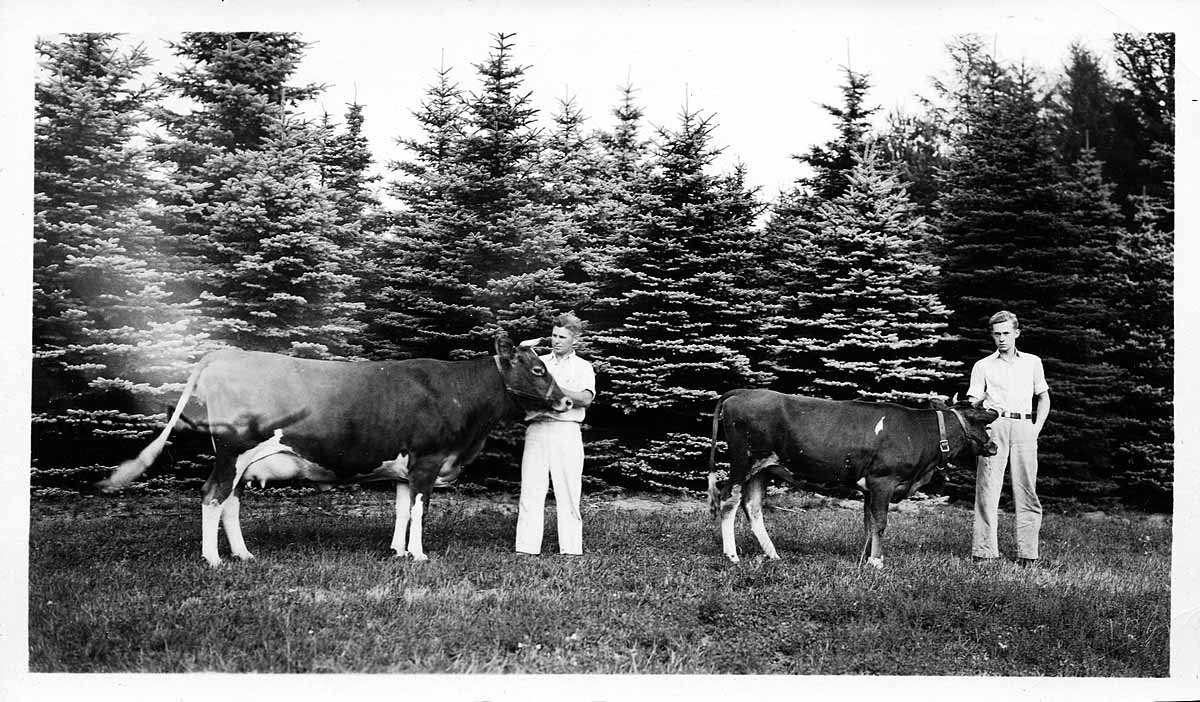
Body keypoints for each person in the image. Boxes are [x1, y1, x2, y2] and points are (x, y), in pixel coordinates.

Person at [968, 310, 1051, 567]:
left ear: (1016, 333)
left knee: (1027, 490)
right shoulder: (983, 366)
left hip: (1025, 426)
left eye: (1006, 333)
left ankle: (1028, 554)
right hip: (994, 427)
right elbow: (973, 402)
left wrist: (1036, 427)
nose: (1002, 339)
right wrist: (976, 406)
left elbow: (1043, 397)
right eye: (997, 334)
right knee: (987, 489)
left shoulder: (1032, 362)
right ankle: (984, 552)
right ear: (992, 336)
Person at [514, 313, 596, 556]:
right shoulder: (539, 364)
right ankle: (526, 548)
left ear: (574, 340)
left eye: (562, 337)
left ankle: (571, 549)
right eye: (553, 335)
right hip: (537, 429)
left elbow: (586, 398)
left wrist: (555, 392)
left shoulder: (583, 367)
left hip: (566, 431)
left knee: (569, 490)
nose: (556, 341)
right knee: (531, 489)